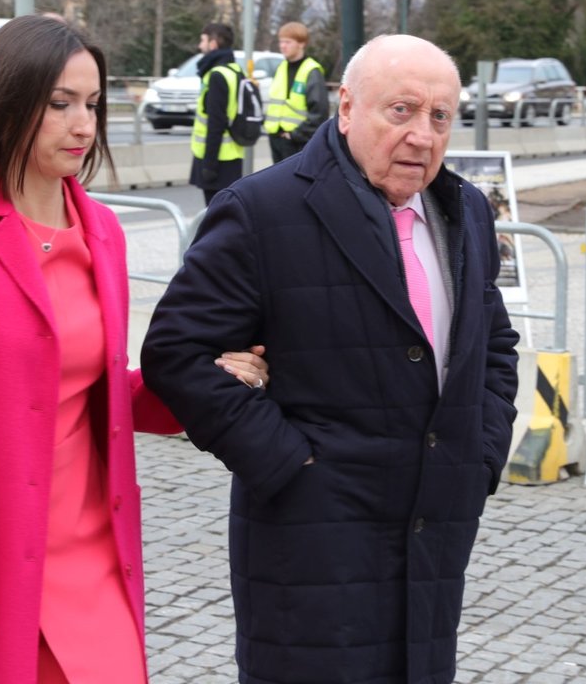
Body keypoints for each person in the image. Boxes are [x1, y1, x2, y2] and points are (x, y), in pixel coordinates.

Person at [0, 15, 271, 684]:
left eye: (94, 105)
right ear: (10, 103)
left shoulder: (102, 231)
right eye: (60, 104)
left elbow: (101, 396)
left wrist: (201, 380)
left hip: (94, 558)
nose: (84, 125)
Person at [141, 34, 520, 684]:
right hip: (310, 544)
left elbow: (495, 346)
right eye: (400, 111)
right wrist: (290, 465)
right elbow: (177, 352)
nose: (422, 136)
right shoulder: (263, 210)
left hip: (432, 538)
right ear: (346, 108)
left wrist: (478, 456)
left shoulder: (467, 213)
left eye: (439, 117)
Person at [189, 21, 246, 206]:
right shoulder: (235, 70)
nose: (200, 46)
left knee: (216, 215)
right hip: (231, 156)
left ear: (213, 44)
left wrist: (209, 165)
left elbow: (216, 123)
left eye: (203, 41)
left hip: (217, 159)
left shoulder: (217, 75)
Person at [263, 21, 328, 164]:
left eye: (288, 42)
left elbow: (319, 113)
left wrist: (294, 135)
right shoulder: (281, 68)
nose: (283, 46)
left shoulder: (311, 71)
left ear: (301, 43)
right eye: (281, 42)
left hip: (297, 142)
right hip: (277, 138)